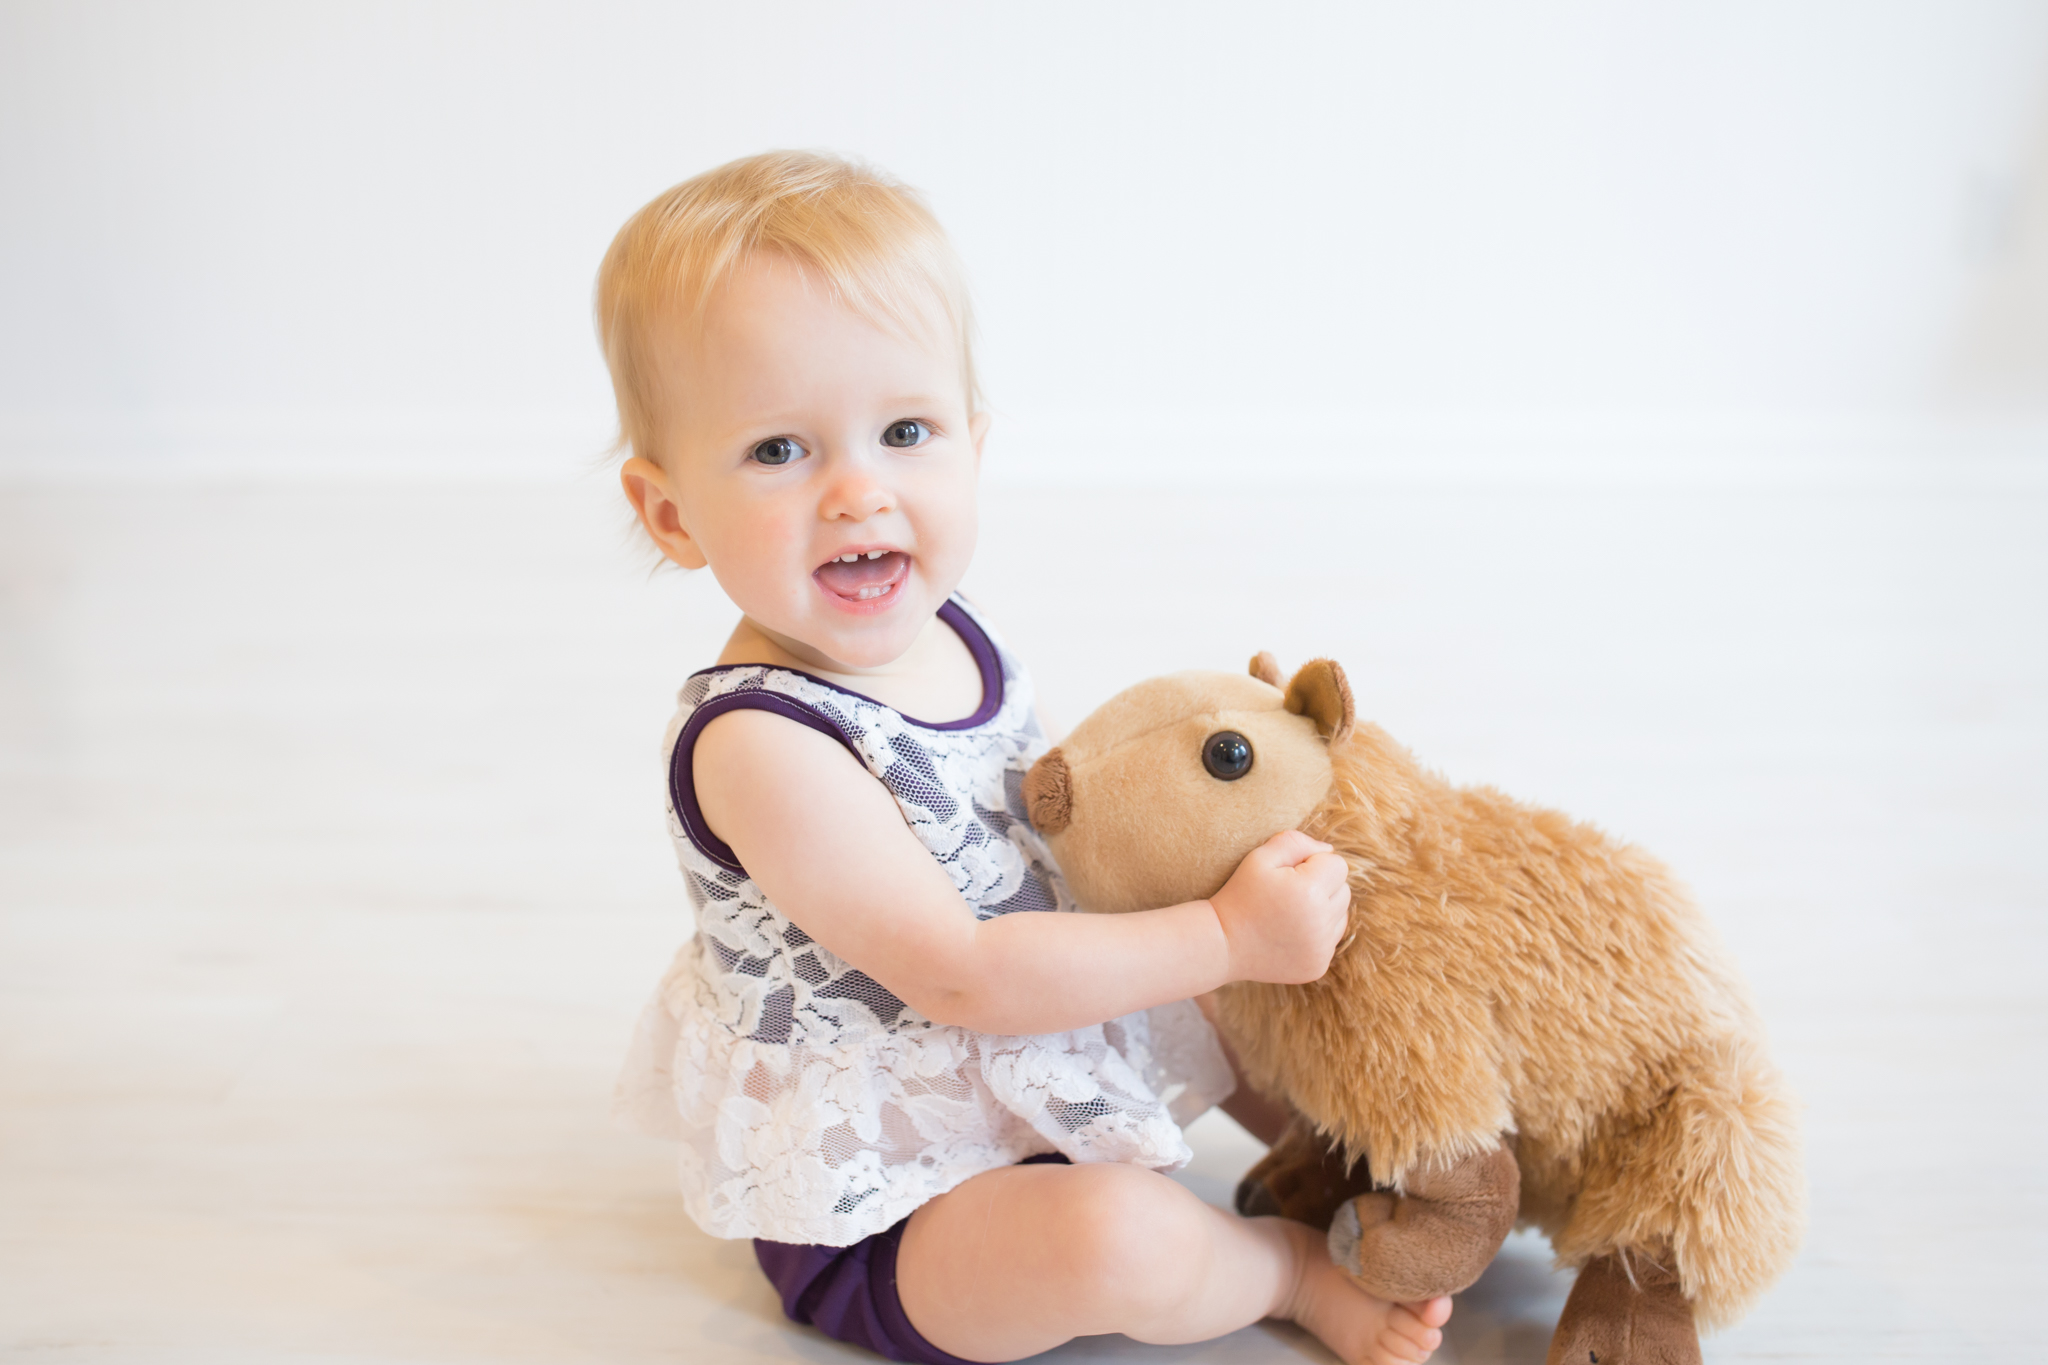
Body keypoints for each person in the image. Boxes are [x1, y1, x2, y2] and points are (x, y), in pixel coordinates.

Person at [601, 150, 1452, 1365]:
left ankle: (1403, 1151)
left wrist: (1225, 913)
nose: (857, 491)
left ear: (973, 442)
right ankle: (1287, 1271)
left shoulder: (950, 627)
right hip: (891, 1211)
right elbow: (958, 974)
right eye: (778, 451)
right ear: (672, 512)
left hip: (1039, 1064)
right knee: (1120, 1237)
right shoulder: (761, 743)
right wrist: (1215, 936)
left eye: (903, 431)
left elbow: (1051, 827)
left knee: (1293, 972)